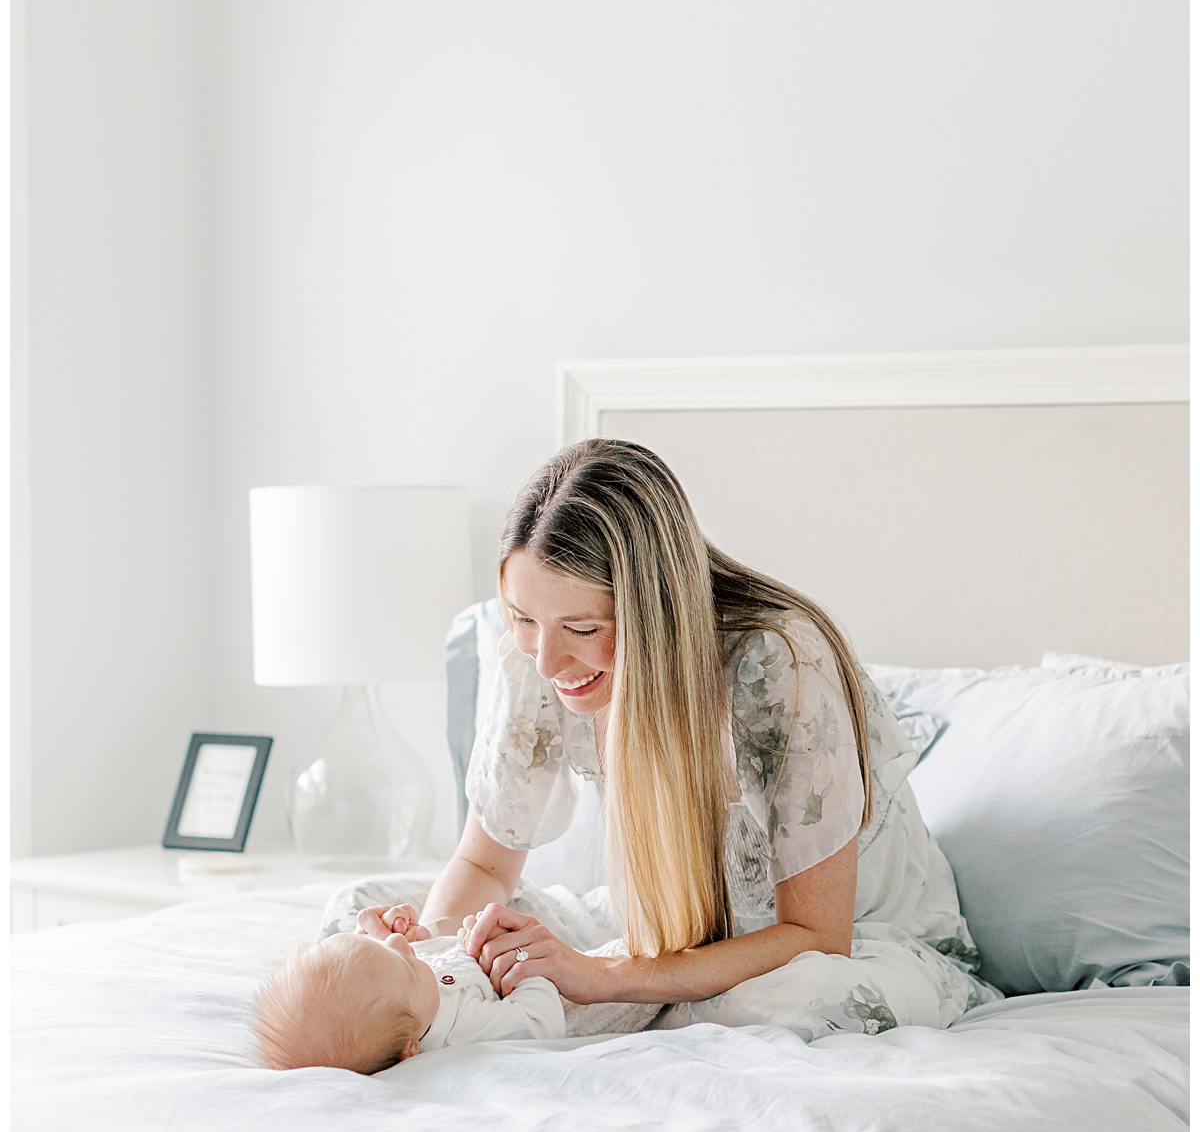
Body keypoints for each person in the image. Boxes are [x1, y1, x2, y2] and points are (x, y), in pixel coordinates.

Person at [419, 438, 1001, 1042]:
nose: (546, 660)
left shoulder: (781, 666)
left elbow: (816, 938)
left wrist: (605, 976)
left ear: (655, 614)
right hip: (667, 934)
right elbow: (484, 864)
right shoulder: (536, 656)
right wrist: (430, 951)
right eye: (521, 618)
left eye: (584, 628)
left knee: (776, 1010)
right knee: (370, 916)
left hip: (846, 949)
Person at [252, 900, 667, 1074]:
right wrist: (527, 968)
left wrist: (419, 939)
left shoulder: (408, 1003)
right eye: (407, 965)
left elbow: (425, 964)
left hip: (511, 950)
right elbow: (540, 1023)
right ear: (409, 1050)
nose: (397, 944)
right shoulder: (463, 1028)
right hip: (574, 1000)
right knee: (658, 947)